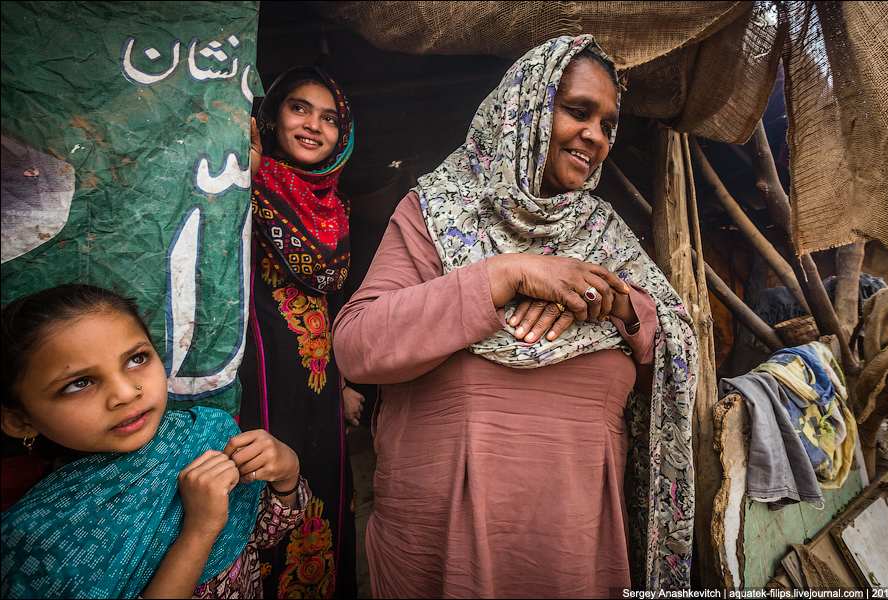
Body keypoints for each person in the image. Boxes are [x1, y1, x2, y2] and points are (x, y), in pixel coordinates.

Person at [332, 35, 698, 597]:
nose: (596, 138)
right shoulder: (437, 210)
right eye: (578, 112)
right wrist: (503, 276)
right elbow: (358, 345)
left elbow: (673, 354)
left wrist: (622, 305)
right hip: (443, 545)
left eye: (607, 124)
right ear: (524, 110)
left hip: (577, 549)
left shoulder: (607, 238)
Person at [0, 284, 309, 599]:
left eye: (136, 359)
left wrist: (287, 473)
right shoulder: (37, 540)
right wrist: (200, 530)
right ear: (19, 420)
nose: (125, 392)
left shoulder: (204, 436)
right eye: (80, 383)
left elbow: (263, 536)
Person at [240, 64, 361, 598]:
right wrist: (246, 173)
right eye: (299, 108)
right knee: (262, 490)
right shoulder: (240, 182)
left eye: (330, 117)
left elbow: (330, 297)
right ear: (273, 117)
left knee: (325, 494)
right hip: (258, 376)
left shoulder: (335, 207)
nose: (314, 125)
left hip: (320, 381)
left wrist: (345, 380)